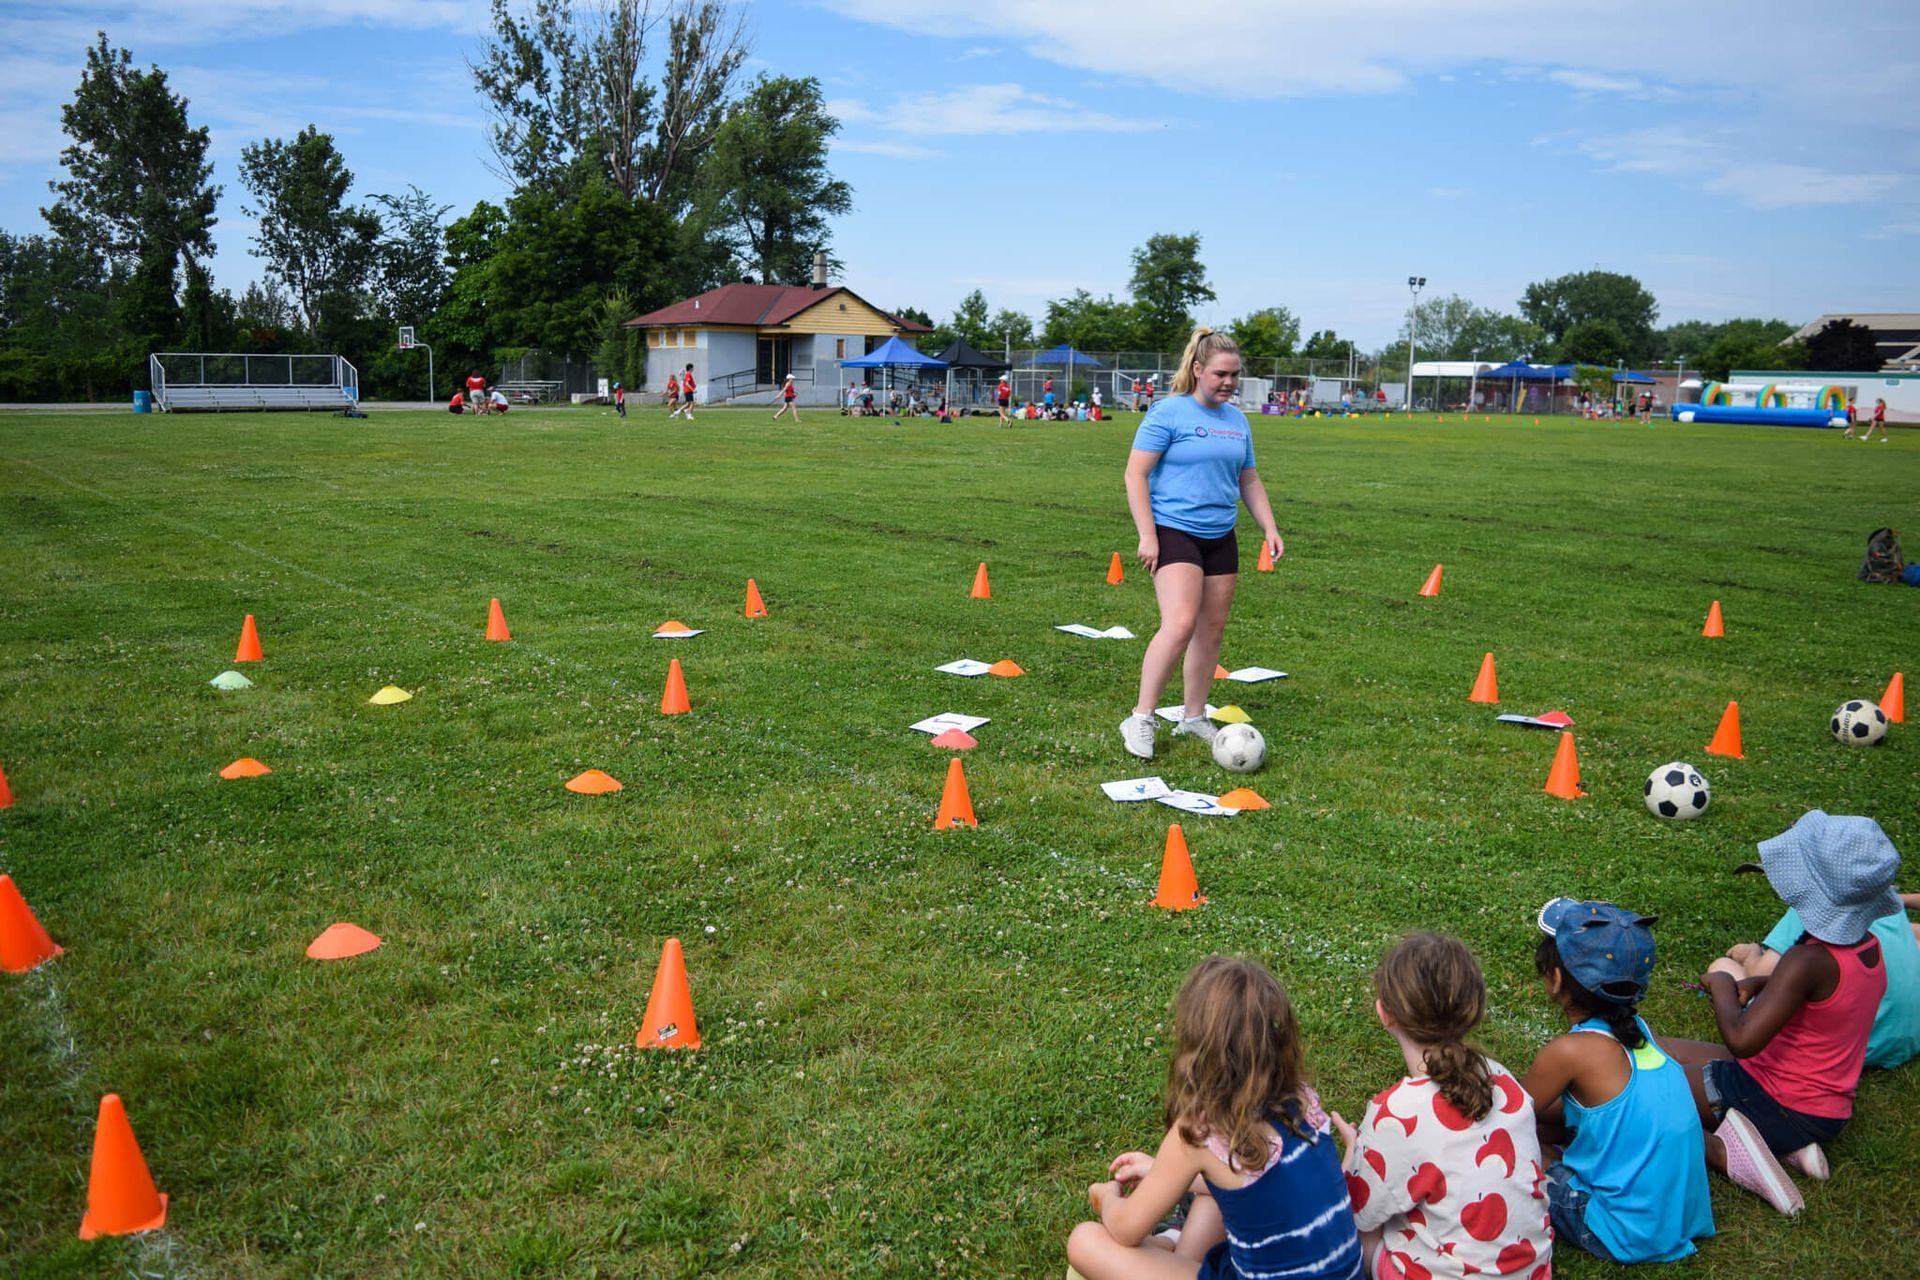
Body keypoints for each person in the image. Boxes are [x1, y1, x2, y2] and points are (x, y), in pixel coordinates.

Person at [1066, 956, 1363, 1280]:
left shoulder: (1201, 1131)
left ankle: (1166, 1247)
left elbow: (1125, 1229)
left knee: (1085, 1241)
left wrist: (1109, 1198)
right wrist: (1159, 1171)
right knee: (1212, 1197)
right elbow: (1249, 1181)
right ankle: (1173, 1247)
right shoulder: (1302, 1099)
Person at [1661, 810, 1899, 1215]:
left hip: (1776, 1100)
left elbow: (1742, 1039)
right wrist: (1758, 985)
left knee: (1649, 1090)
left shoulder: (1807, 960)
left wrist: (1721, 985)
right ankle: (1787, 1145)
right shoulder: (1866, 948)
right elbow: (1828, 996)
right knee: (1661, 1051)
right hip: (1821, 1109)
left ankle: (1728, 1151)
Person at [1334, 933, 1552, 1280]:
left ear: (1384, 1013)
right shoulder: (1504, 1080)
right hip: (1532, 1272)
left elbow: (1359, 1211)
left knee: (1353, 1235)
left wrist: (1352, 1152)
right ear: (1476, 1009)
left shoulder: (1396, 1113)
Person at [1118, 327, 1283, 761]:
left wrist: (1269, 526)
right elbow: (1135, 475)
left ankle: (1193, 716)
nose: (1229, 383)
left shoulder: (1238, 421)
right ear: (1197, 370)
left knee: (1212, 629)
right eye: (1220, 374)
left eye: (1235, 375)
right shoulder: (1167, 413)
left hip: (1220, 535)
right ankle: (1141, 717)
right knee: (1180, 623)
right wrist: (1148, 535)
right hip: (1173, 530)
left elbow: (1248, 478)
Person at [1520, 899, 1714, 1263]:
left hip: (1621, 1233)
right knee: (1547, 1127)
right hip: (1676, 1221)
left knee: (1513, 1153)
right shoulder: (1639, 1031)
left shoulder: (1570, 1051)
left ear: (1556, 979)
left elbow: (1505, 1118)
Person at [1720, 883, 1920, 1071]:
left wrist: (1751, 954)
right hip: (1905, 1042)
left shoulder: (1812, 908)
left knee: (1722, 967)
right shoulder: (1889, 906)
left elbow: (1760, 974)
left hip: (1840, 1053)